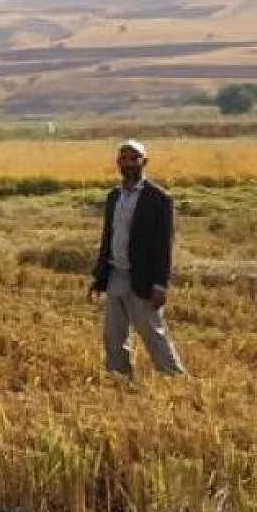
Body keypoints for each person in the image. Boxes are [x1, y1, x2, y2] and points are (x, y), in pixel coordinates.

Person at [89, 139, 186, 376]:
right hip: (115, 274)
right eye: (123, 159)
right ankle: (120, 378)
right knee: (113, 335)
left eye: (134, 158)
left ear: (144, 162)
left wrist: (160, 285)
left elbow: (163, 246)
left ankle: (176, 378)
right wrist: (99, 277)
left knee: (153, 333)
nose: (128, 163)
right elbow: (108, 237)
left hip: (142, 278)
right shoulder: (114, 196)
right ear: (118, 163)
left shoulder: (159, 198)